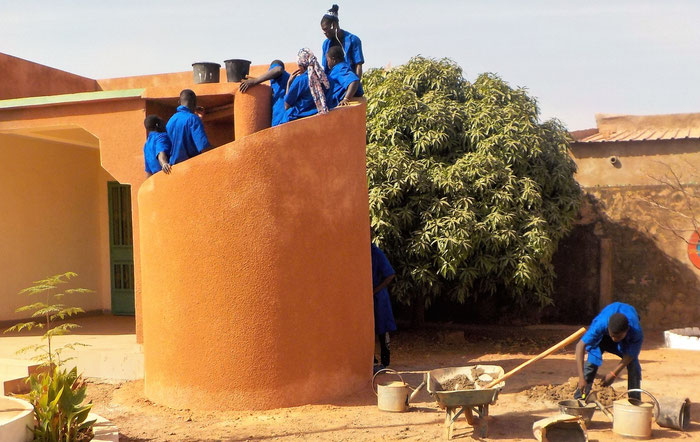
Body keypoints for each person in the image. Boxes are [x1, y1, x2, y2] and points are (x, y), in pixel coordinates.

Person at [574, 302, 644, 400]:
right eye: (612, 335)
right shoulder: (601, 324)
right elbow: (580, 345)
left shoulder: (636, 331)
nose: (614, 339)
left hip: (625, 341)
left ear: (627, 330)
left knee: (633, 365)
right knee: (591, 363)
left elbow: (630, 354)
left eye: (618, 336)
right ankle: (580, 398)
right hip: (603, 337)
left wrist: (613, 374)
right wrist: (581, 378)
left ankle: (634, 400)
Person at [283, 48, 330, 123]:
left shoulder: (300, 81)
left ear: (301, 66)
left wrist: (289, 83)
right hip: (323, 117)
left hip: (299, 118)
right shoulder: (326, 78)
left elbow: (286, 106)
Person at [239, 60, 291, 127]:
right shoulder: (288, 78)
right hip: (287, 117)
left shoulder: (281, 74)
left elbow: (278, 69)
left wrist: (255, 81)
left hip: (281, 117)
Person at [166, 89, 211, 165]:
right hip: (190, 168)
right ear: (195, 103)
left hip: (173, 170)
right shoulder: (193, 119)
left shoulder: (170, 121)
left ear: (179, 102)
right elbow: (204, 148)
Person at [371, 243, 397, 369]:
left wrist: (375, 291)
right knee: (369, 329)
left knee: (383, 328)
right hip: (368, 297)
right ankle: (373, 359)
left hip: (379, 297)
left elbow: (390, 275)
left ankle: (385, 360)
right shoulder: (360, 252)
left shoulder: (376, 253)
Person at [320, 4, 364, 77]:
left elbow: (358, 65)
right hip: (333, 84)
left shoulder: (353, 40)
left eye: (326, 29)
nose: (324, 33)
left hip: (349, 81)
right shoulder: (326, 44)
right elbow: (326, 68)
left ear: (334, 25)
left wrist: (356, 85)